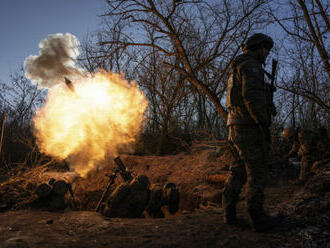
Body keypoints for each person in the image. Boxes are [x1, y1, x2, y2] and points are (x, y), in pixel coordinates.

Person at [222, 33, 282, 232]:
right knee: (256, 171)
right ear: (257, 47)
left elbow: (245, 94)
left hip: (235, 126)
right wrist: (263, 122)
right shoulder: (251, 66)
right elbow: (251, 96)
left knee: (238, 169)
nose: (266, 54)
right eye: (265, 49)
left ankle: (228, 213)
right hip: (249, 126)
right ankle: (258, 218)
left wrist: (268, 103)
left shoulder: (238, 66)